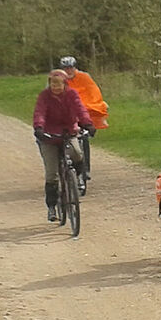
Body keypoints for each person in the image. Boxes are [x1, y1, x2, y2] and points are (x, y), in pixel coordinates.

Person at [32, 69, 95, 222]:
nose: (56, 87)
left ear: (65, 84)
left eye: (58, 84)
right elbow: (39, 112)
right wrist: (39, 128)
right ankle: (52, 207)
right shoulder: (44, 96)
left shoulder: (72, 95)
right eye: (53, 84)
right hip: (49, 136)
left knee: (78, 153)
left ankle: (78, 177)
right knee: (52, 174)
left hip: (68, 132)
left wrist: (87, 124)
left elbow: (80, 109)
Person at [60, 55, 108, 178]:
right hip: (65, 115)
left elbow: (93, 92)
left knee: (84, 138)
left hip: (83, 112)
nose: (68, 71)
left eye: (70, 68)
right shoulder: (58, 79)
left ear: (74, 67)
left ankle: (86, 169)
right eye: (66, 68)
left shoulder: (84, 77)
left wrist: (91, 106)